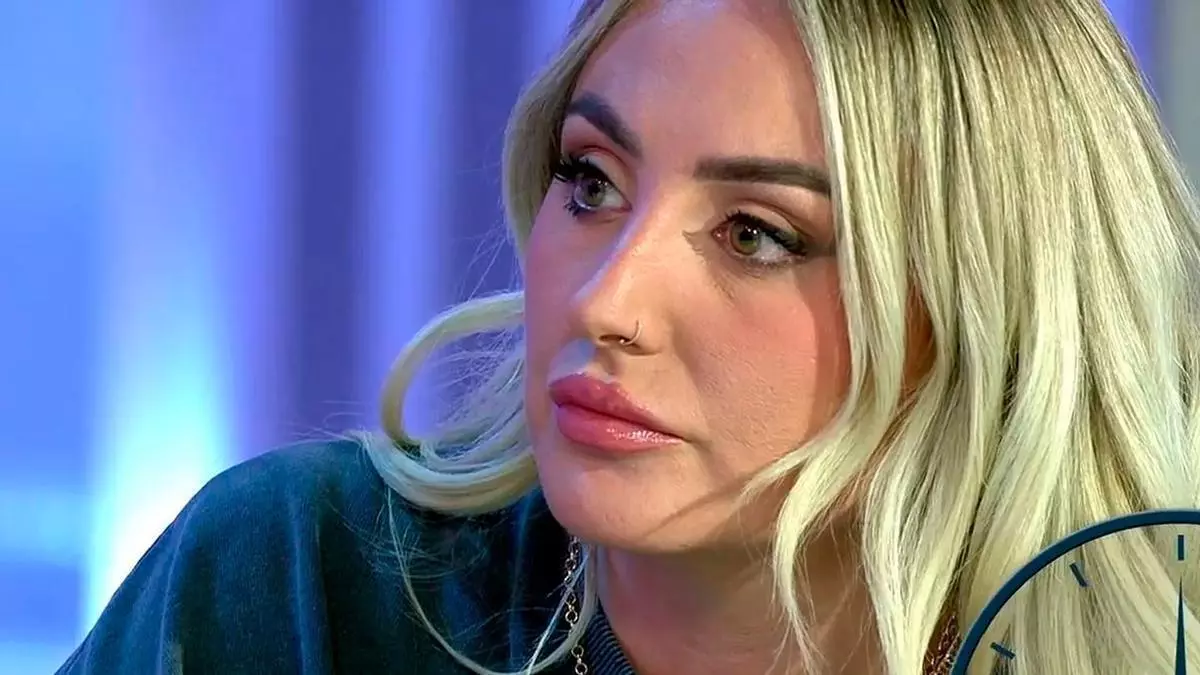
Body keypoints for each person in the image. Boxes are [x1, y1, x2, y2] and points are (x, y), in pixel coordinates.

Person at [58, 0, 1200, 673]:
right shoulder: (298, 583)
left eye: (755, 235)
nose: (607, 303)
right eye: (591, 181)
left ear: (980, 318)